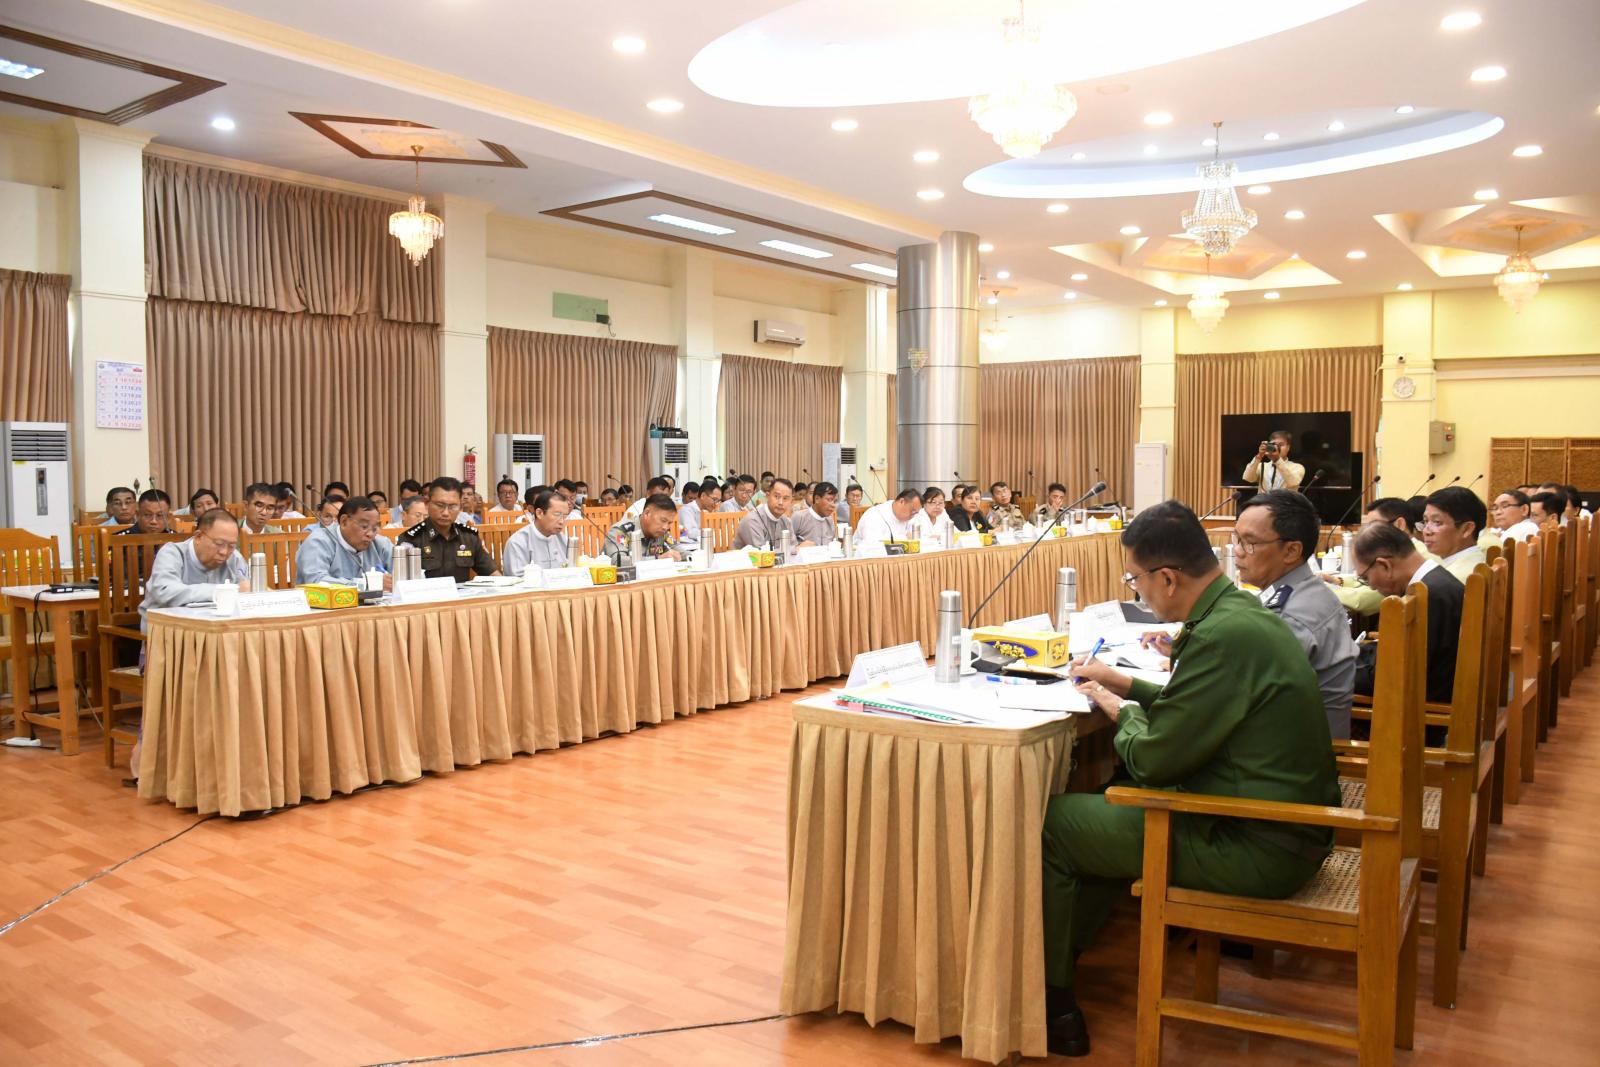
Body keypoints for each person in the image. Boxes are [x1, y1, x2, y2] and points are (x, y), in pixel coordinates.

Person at [1044, 500, 1337, 1056]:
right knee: (1109, 799)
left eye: (1135, 581)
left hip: (1258, 845)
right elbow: (1200, 706)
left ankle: (1049, 999)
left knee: (1058, 822)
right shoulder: (1238, 613)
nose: (1139, 592)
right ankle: (1066, 960)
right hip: (1287, 827)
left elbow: (1155, 759)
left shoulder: (1219, 636)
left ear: (1168, 578)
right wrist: (1123, 685)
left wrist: (1121, 709)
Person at [1235, 490, 1358, 739]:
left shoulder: (1290, 618)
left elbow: (1239, 697)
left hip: (1295, 752)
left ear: (1291, 551)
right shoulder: (1305, 590)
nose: (1238, 551)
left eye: (1250, 543)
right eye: (1237, 539)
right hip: (1295, 739)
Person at [1350, 521, 1464, 705]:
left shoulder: (1426, 597)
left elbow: (1388, 678)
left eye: (1365, 578)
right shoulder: (1436, 581)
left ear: (1385, 565)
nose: (1371, 586)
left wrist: (1333, 670)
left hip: (1424, 711)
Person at [1321, 497, 1432, 615]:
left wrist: (1319, 588)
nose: (1369, 533)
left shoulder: (1410, 558)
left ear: (1399, 524)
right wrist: (1338, 581)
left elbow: (1363, 599)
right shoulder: (1407, 551)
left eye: (1376, 526)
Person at [141, 509, 250, 630]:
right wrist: (221, 591)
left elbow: (246, 591)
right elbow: (165, 591)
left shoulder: (234, 558)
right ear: (198, 537)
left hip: (215, 627)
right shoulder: (172, 553)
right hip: (166, 629)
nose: (224, 552)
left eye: (231, 546)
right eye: (219, 543)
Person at [399, 476, 499, 582]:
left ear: (460, 507)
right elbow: (403, 583)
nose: (446, 513)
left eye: (452, 506)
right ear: (427, 504)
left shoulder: (468, 536)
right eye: (440, 505)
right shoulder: (411, 538)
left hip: (462, 592)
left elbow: (492, 573)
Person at [297, 497, 394, 589]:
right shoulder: (318, 541)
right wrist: (367, 584)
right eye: (364, 526)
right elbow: (315, 581)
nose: (370, 534)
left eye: (375, 528)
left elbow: (401, 576)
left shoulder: (381, 544)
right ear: (344, 522)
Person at [1421, 486, 1488, 583]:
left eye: (1437, 522)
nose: (1426, 531)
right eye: (1426, 521)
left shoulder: (1454, 579)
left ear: (1467, 529)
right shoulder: (1477, 561)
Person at [502, 490, 572, 575]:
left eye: (565, 516)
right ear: (539, 513)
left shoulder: (562, 538)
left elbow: (571, 569)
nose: (562, 521)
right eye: (557, 514)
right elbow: (517, 578)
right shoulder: (517, 542)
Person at [604, 493, 682, 564]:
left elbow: (681, 552)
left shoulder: (662, 532)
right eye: (663, 520)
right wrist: (657, 560)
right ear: (647, 513)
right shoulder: (621, 531)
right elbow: (618, 561)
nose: (666, 527)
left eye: (669, 523)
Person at [734, 477, 808, 550]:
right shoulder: (753, 520)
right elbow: (759, 554)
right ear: (767, 496)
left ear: (791, 501)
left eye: (785, 498)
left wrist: (799, 548)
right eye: (776, 496)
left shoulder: (786, 521)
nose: (780, 502)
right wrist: (795, 549)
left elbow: (793, 547)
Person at [1242, 429, 1306, 491]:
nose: (1277, 448)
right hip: (1264, 498)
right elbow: (1248, 478)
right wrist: (1259, 456)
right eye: (1274, 445)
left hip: (1285, 499)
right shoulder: (1262, 466)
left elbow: (1293, 483)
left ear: (1288, 447)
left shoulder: (1297, 467)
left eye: (1281, 445)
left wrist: (1277, 460)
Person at [854, 489, 922, 546]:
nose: (913, 515)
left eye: (915, 513)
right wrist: (905, 538)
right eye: (912, 511)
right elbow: (873, 543)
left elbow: (918, 538)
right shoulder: (875, 515)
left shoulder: (910, 517)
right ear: (902, 502)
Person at [790, 481, 840, 547]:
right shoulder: (799, 517)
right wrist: (798, 547)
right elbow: (786, 545)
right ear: (817, 499)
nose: (833, 505)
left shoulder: (829, 520)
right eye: (829, 500)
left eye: (835, 501)